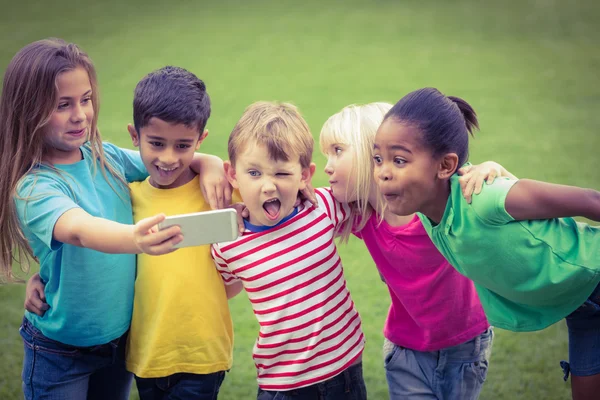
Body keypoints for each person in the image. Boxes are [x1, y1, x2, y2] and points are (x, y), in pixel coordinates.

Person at [2, 38, 225, 399]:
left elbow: (165, 160)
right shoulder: (33, 186)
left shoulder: (105, 157)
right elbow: (78, 230)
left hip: (119, 344)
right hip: (61, 353)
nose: (80, 115)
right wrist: (135, 239)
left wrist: (210, 163)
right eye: (63, 105)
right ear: (29, 110)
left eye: (85, 99)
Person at [373, 87, 600, 400]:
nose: (382, 172)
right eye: (377, 159)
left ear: (444, 166)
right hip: (579, 306)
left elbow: (590, 200)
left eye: (399, 160)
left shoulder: (483, 197)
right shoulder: (428, 211)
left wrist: (497, 173)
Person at [320, 102, 507, 399]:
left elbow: (495, 190)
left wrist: (491, 168)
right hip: (406, 350)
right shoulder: (360, 214)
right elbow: (292, 203)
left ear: (375, 152)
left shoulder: (436, 201)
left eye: (338, 151)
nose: (327, 166)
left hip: (465, 345)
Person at [212, 101, 367, 399]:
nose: (268, 187)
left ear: (304, 176)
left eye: (282, 174)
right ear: (232, 175)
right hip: (282, 385)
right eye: (254, 173)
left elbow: (376, 188)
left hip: (345, 370)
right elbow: (223, 290)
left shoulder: (322, 207)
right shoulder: (226, 243)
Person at [124, 65, 244, 399]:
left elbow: (271, 200)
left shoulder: (219, 191)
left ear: (200, 140)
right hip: (147, 355)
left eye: (182, 146)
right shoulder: (127, 196)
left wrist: (212, 164)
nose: (167, 157)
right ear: (134, 136)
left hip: (202, 355)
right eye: (157, 143)